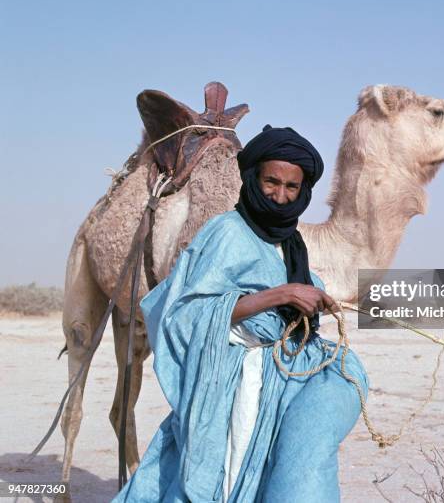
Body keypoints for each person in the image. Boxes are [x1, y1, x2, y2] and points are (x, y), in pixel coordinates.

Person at [112, 124, 369, 503]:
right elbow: (192, 312)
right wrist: (281, 294)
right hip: (234, 379)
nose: (279, 195)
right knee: (224, 476)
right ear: (253, 178)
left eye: (291, 187)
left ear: (304, 191)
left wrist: (313, 296)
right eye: (271, 182)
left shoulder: (291, 241)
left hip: (280, 374)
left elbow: (286, 289)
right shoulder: (227, 233)